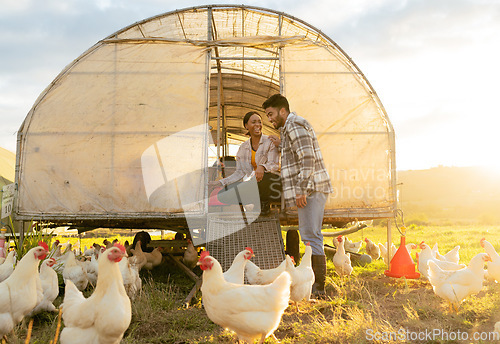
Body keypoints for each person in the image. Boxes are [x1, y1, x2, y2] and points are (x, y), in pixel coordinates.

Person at [262, 94, 333, 298]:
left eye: (271, 114)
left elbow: (307, 157)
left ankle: (319, 288)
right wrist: (280, 144)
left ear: (282, 111)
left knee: (311, 235)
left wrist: (302, 188)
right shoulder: (290, 129)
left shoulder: (294, 126)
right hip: (309, 188)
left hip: (310, 189)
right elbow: (296, 153)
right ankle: (316, 285)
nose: (270, 119)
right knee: (309, 234)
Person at [208, 111, 282, 215]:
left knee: (263, 177)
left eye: (259, 122)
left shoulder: (269, 141)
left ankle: (264, 205)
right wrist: (220, 182)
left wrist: (262, 167)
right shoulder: (243, 147)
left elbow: (274, 165)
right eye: (254, 122)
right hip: (256, 184)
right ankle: (255, 201)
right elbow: (239, 173)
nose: (257, 125)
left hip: (273, 184)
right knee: (223, 193)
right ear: (246, 126)